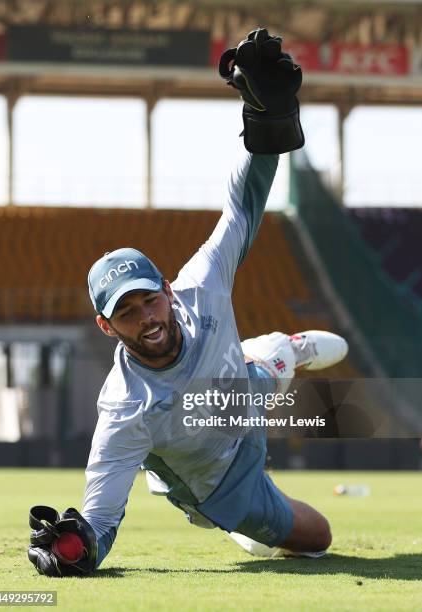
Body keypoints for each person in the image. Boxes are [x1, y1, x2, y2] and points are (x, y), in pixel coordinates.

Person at [27, 28, 348, 577]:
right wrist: (76, 547)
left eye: (149, 301)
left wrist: (267, 123)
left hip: (237, 389)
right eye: (126, 313)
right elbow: (101, 520)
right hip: (221, 481)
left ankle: (281, 351)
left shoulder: (202, 283)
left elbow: (242, 205)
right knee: (319, 538)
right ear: (107, 327)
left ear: (168, 291)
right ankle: (252, 533)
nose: (146, 319)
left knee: (260, 369)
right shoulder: (124, 410)